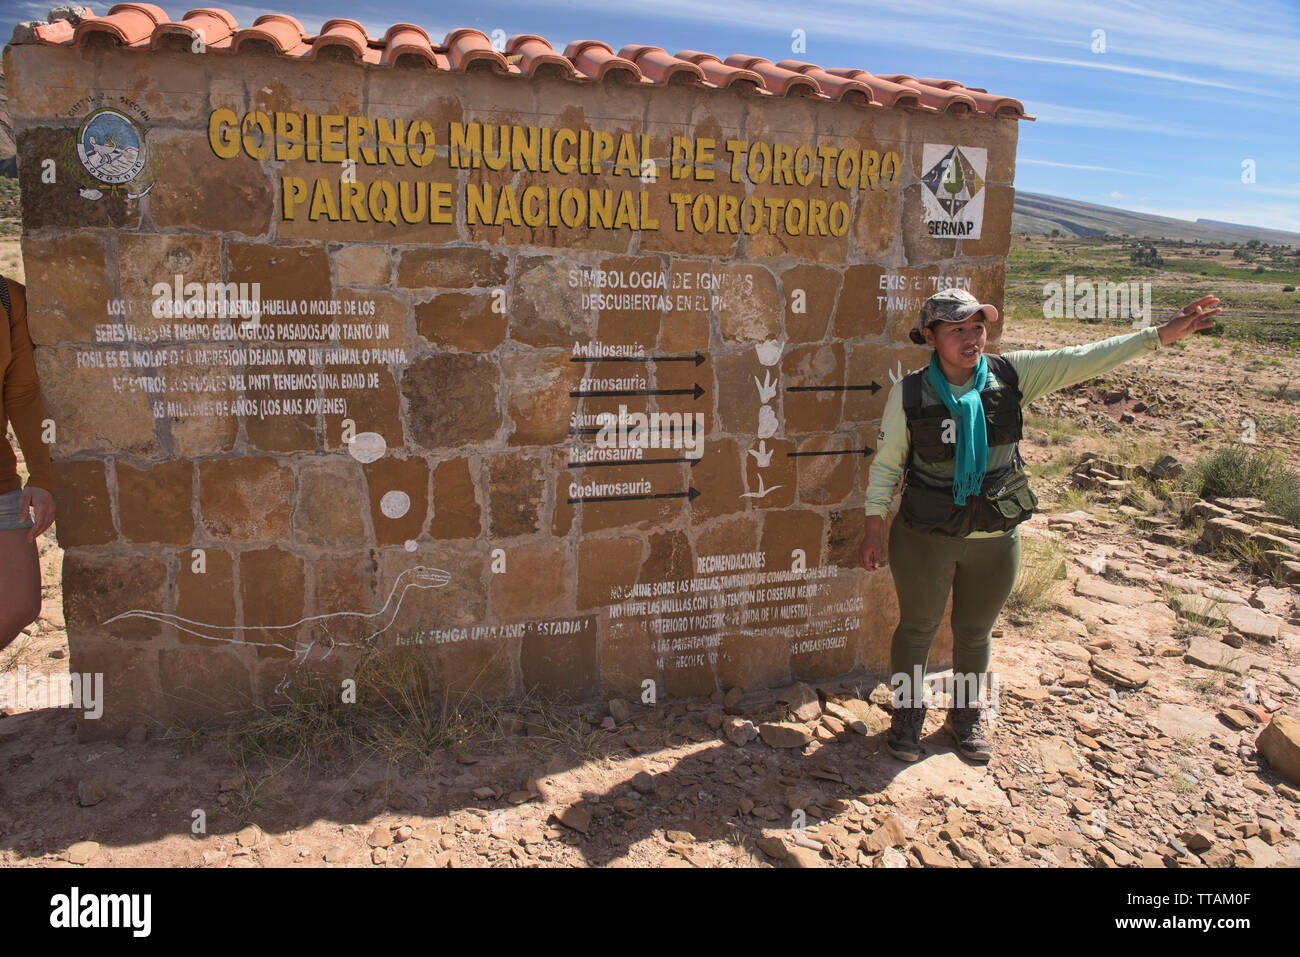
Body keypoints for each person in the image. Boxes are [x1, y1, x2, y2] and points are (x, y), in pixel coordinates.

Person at [859, 288, 1219, 764]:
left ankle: (965, 718)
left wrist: (1159, 336)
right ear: (930, 336)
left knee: (975, 631)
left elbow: (1083, 358)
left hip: (995, 536)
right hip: (925, 536)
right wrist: (872, 528)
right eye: (957, 329)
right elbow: (886, 465)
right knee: (917, 629)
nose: (972, 339)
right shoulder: (909, 393)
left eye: (978, 327)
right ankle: (906, 719)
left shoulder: (1012, 375)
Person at [1, 276, 57, 651]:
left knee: (18, 606)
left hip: (0, 479)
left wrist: (42, 473)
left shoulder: (7, 298)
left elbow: (21, 394)